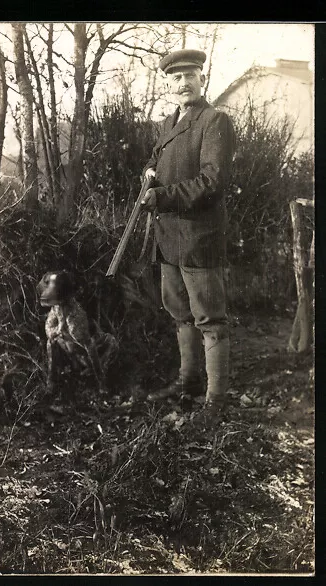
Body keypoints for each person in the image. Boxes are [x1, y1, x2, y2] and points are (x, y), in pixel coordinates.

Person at [140, 49, 236, 420]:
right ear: (168, 85)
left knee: (209, 318)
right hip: (169, 239)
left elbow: (212, 182)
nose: (184, 83)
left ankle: (215, 402)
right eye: (176, 78)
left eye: (190, 76)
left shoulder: (214, 121)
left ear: (202, 80)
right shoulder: (169, 122)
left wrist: (162, 196)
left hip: (199, 238)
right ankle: (188, 383)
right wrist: (148, 173)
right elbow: (155, 160)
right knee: (180, 314)